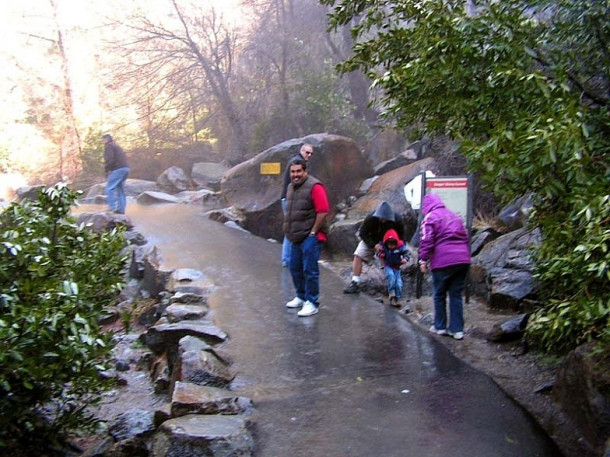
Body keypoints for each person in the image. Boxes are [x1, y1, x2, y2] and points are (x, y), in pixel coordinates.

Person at [418, 193, 471, 340]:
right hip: (462, 260)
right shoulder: (454, 216)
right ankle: (457, 330)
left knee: (439, 294)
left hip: (443, 261)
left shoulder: (431, 217)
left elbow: (426, 240)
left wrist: (422, 260)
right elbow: (465, 237)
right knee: (456, 295)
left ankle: (440, 326)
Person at [283, 157, 329, 317]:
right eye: (293, 172)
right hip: (295, 236)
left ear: (305, 171)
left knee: (309, 270)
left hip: (310, 236)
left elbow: (323, 211)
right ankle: (301, 296)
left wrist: (313, 232)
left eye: (298, 171)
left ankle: (312, 302)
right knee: (294, 267)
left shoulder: (315, 186)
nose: (295, 175)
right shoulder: (290, 187)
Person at [343, 201, 405, 294]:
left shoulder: (397, 220)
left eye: (385, 219)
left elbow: (402, 237)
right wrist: (373, 245)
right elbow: (362, 233)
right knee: (358, 254)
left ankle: (392, 288)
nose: (383, 220)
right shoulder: (371, 218)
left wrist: (395, 248)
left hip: (389, 242)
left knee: (391, 261)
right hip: (371, 240)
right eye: (381, 218)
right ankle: (354, 282)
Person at [281, 143, 315, 267]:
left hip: (288, 198)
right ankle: (288, 260)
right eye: (307, 152)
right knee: (292, 229)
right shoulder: (296, 162)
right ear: (301, 151)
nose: (309, 155)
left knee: (291, 228)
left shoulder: (296, 160)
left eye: (311, 153)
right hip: (290, 199)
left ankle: (288, 259)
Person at [376, 228, 410, 307]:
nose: (391, 246)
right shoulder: (384, 247)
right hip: (388, 266)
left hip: (397, 267)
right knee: (391, 277)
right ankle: (392, 293)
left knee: (398, 283)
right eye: (389, 244)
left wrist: (405, 259)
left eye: (393, 244)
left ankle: (397, 298)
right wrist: (381, 255)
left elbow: (406, 253)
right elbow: (378, 253)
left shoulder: (400, 247)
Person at [102, 134, 130, 214]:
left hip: (118, 169)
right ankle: (121, 210)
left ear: (106, 140)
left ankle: (111, 208)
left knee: (109, 188)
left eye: (103, 140)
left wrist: (106, 170)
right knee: (120, 189)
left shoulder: (109, 147)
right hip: (126, 168)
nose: (103, 142)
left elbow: (110, 160)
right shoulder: (117, 146)